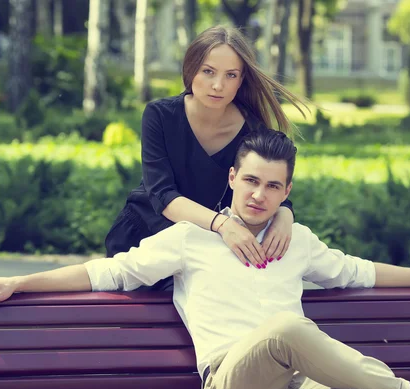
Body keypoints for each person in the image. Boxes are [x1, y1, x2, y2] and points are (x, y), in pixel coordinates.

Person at [0, 129, 410, 389]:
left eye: (273, 186)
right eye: (251, 181)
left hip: (299, 383)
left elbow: (362, 270)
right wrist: (19, 282)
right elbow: (108, 271)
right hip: (232, 380)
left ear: (286, 192)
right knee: (288, 326)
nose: (259, 195)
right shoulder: (190, 238)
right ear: (232, 178)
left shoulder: (299, 240)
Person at [104, 25, 311, 290]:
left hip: (202, 250)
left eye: (231, 75)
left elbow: (268, 183)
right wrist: (223, 225)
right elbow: (163, 195)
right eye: (208, 71)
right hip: (143, 237)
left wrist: (285, 214)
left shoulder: (252, 129)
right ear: (191, 70)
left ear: (241, 80)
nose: (218, 85)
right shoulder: (160, 116)